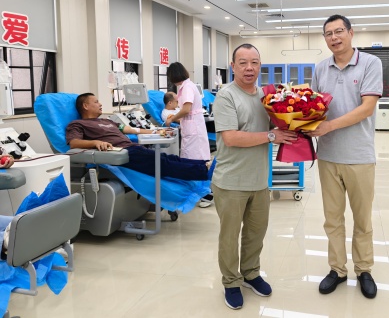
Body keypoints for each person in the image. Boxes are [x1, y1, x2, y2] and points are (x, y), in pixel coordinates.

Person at [212, 43, 297, 310]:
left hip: (259, 180)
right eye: (243, 63)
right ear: (233, 66)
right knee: (229, 236)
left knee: (256, 233)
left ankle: (250, 273)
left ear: (260, 65)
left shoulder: (265, 96)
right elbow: (231, 137)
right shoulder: (226, 96)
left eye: (254, 63)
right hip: (231, 181)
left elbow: (277, 124)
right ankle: (231, 281)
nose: (249, 68)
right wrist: (271, 136)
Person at [305, 14, 383, 300]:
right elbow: (314, 107)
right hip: (328, 155)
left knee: (362, 219)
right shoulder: (320, 68)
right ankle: (337, 269)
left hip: (359, 155)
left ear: (351, 33)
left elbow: (367, 108)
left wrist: (329, 126)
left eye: (339, 31)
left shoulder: (371, 63)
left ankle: (364, 269)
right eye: (328, 33)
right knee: (332, 219)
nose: (334, 37)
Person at [66, 93, 208, 181]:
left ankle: (204, 164)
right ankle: (204, 172)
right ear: (85, 106)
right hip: (121, 153)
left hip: (133, 148)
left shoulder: (107, 121)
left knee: (168, 158)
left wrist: (156, 132)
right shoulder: (78, 124)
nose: (100, 104)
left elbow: (131, 130)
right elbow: (74, 143)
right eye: (96, 102)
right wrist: (95, 142)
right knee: (162, 163)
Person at [166, 62, 214, 208]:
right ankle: (201, 193)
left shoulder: (187, 87)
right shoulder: (187, 86)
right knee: (195, 162)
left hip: (193, 129)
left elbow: (186, 109)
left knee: (196, 162)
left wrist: (172, 119)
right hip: (192, 127)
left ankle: (207, 195)